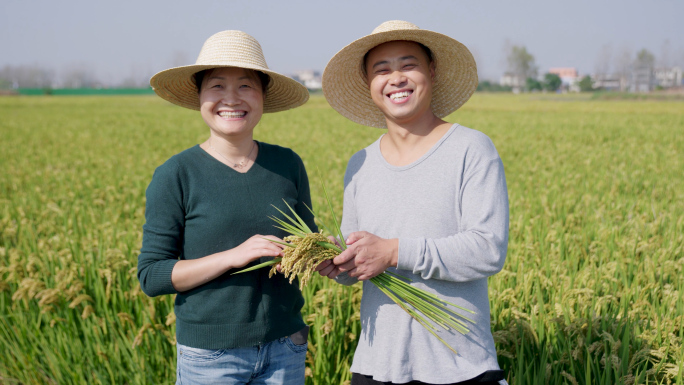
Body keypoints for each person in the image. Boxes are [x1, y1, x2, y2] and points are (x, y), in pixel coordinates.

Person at [317, 21, 509, 385]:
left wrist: (393, 252)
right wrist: (334, 260)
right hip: (376, 366)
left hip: (460, 367)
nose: (396, 78)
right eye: (382, 69)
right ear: (368, 83)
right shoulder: (360, 164)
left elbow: (488, 249)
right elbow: (358, 254)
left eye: (408, 65)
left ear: (431, 72)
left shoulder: (471, 148)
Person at [137, 30, 315, 385]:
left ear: (263, 97)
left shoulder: (287, 164)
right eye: (217, 86)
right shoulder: (177, 174)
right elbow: (152, 275)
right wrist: (234, 256)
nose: (231, 99)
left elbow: (306, 243)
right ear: (200, 98)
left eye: (246, 86)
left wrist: (325, 252)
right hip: (211, 358)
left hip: (286, 348)